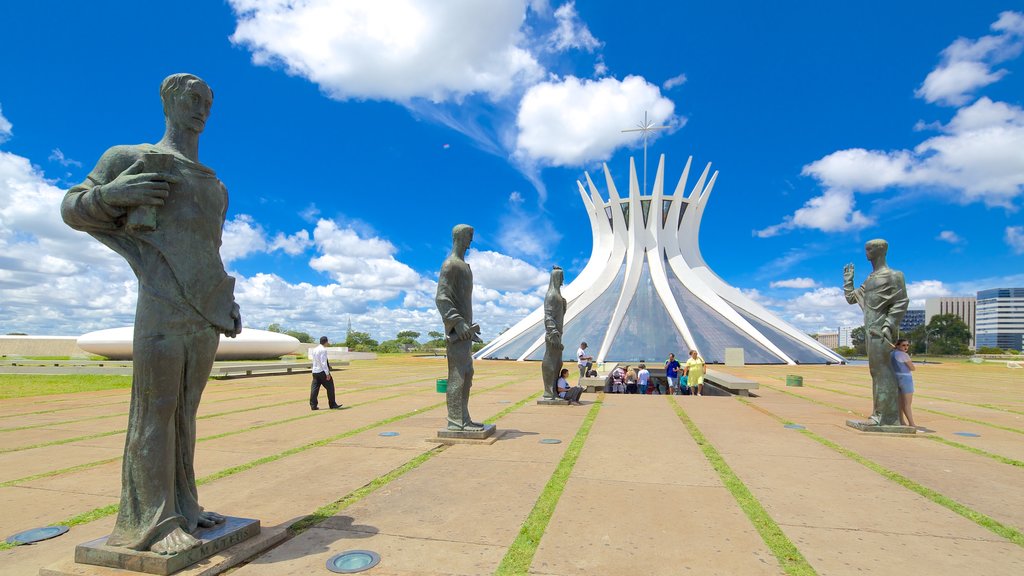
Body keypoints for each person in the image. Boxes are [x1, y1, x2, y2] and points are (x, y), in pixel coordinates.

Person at [61, 74, 240, 554]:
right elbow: (73, 206)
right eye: (192, 99)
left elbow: (209, 252)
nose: (202, 108)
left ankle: (184, 505)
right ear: (168, 101)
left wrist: (225, 301)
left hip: (204, 313)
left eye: (208, 101)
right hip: (160, 304)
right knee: (154, 413)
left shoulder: (215, 185)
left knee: (185, 414)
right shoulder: (130, 157)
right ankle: (152, 523)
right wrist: (116, 195)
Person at [844, 239, 908, 426]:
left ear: (881, 251)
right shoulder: (870, 279)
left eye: (870, 249)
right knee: (876, 371)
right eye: (866, 249)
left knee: (883, 371)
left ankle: (885, 417)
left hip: (882, 331)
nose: (866, 252)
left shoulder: (894, 275)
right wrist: (848, 282)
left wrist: (889, 325)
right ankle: (881, 414)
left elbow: (901, 301)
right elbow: (851, 298)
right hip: (870, 330)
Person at [436, 224, 484, 431]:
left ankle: (463, 418)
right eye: (469, 236)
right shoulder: (451, 265)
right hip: (457, 333)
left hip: (465, 333)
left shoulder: (464, 266)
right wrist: (458, 322)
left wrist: (469, 327)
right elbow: (441, 297)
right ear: (459, 237)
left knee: (467, 374)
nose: (471, 241)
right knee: (457, 375)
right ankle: (456, 421)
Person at [542, 267, 567, 400]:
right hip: (553, 335)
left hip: (558, 333)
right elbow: (548, 316)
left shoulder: (558, 295)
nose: (563, 279)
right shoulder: (551, 295)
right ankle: (549, 391)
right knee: (551, 362)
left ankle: (554, 391)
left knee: (558, 363)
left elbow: (558, 315)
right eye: (561, 276)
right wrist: (553, 333)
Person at [310, 336, 342, 410]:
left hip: (315, 371)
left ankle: (313, 405)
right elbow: (323, 362)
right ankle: (332, 404)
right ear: (326, 342)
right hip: (322, 371)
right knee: (330, 387)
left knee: (314, 388)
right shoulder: (323, 350)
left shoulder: (315, 349)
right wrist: (327, 373)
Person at [891, 338, 916, 427]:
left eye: (907, 345)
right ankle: (912, 423)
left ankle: (901, 421)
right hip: (905, 379)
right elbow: (912, 368)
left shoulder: (892, 354)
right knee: (907, 404)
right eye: (903, 345)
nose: (906, 347)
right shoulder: (904, 355)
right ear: (898, 345)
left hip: (895, 378)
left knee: (900, 403)